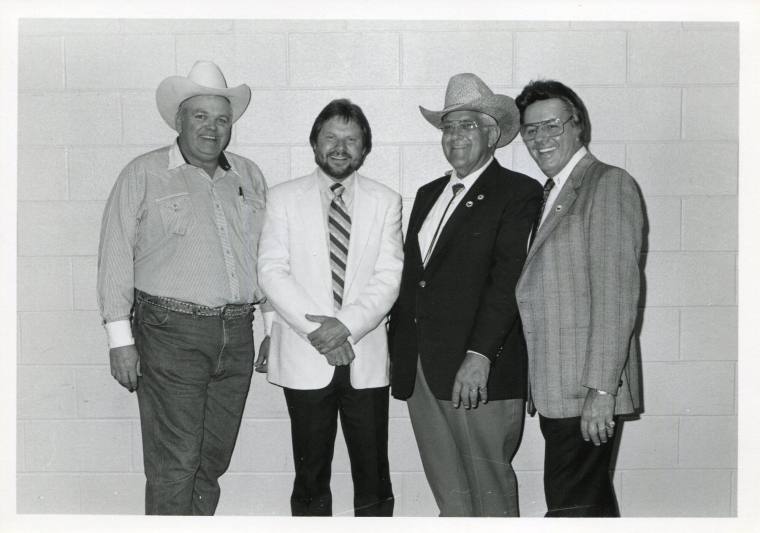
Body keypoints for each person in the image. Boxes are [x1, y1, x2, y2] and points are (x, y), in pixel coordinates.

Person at [97, 61, 267, 515]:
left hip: (238, 335)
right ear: (178, 120)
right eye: (200, 116)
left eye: (222, 119)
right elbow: (115, 254)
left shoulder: (248, 176)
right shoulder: (144, 172)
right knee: (176, 463)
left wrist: (270, 328)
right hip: (169, 333)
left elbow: (264, 256)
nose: (212, 128)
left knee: (211, 460)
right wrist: (120, 341)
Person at [389, 73, 542, 516]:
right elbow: (414, 279)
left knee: (489, 493)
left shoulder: (518, 192)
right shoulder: (427, 193)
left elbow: (508, 281)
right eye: (449, 127)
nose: (455, 136)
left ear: (492, 134)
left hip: (478, 371)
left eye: (468, 126)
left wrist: (479, 355)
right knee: (450, 495)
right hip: (420, 367)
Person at [256, 99, 403, 516]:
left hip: (365, 355)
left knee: (373, 473)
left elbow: (390, 276)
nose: (341, 147)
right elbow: (271, 270)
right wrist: (320, 333)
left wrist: (346, 327)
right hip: (305, 356)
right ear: (314, 144)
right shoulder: (282, 198)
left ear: (364, 148)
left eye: (351, 139)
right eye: (331, 138)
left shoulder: (386, 201)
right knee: (310, 476)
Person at [514, 79, 645, 517]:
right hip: (561, 389)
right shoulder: (551, 194)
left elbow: (616, 297)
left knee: (573, 509)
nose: (540, 138)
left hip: (586, 390)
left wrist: (602, 391)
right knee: (587, 505)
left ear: (578, 127)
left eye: (551, 125)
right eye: (531, 130)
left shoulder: (607, 184)